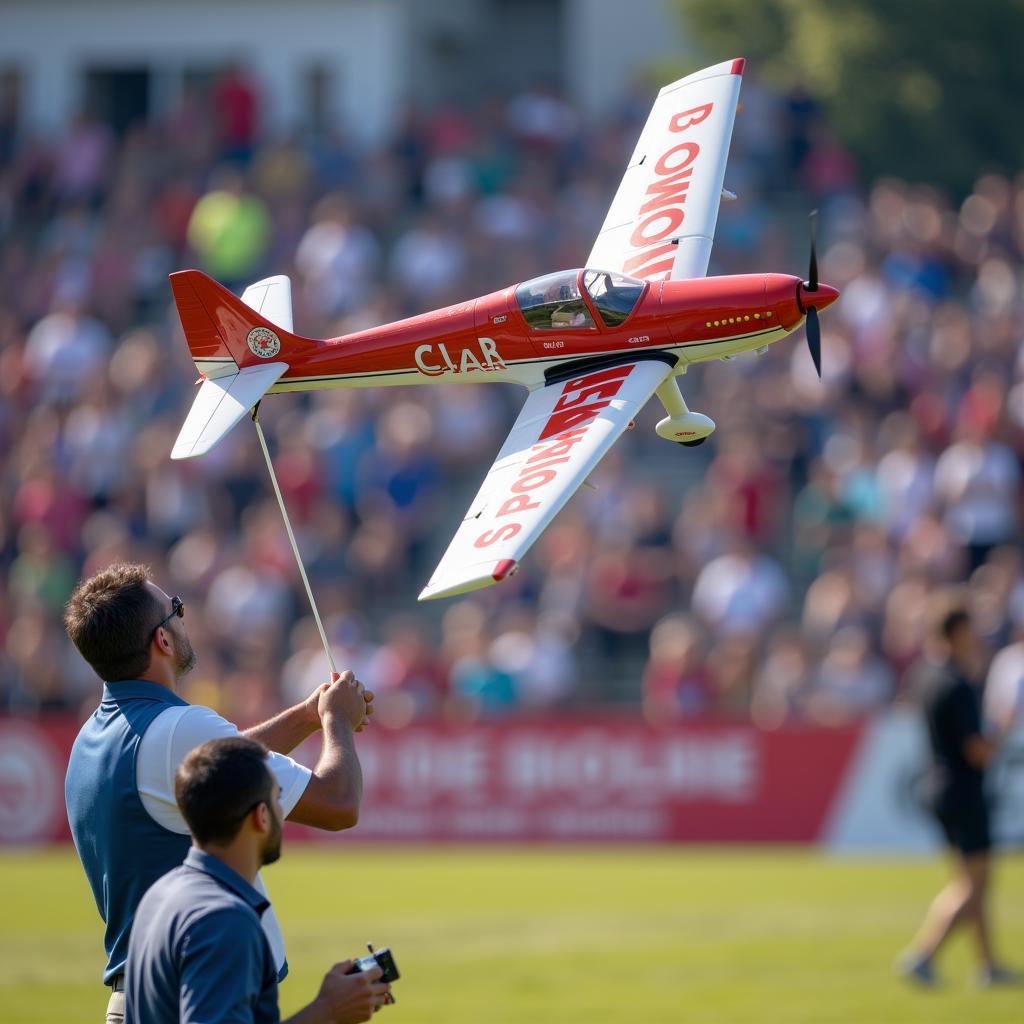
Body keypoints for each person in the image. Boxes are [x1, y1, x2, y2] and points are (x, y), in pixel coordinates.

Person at [63, 563, 373, 1023]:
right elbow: (337, 803)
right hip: (190, 988)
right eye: (176, 609)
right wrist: (337, 721)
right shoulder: (178, 729)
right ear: (162, 641)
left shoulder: (93, 735)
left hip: (146, 994)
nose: (184, 617)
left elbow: (223, 765)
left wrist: (308, 714)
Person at [126, 736, 390, 1023]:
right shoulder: (224, 920)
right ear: (261, 816)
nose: (283, 813)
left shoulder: (160, 893)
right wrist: (327, 1011)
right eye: (278, 797)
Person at [897, 592, 1017, 986]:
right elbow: (977, 751)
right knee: (973, 884)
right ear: (959, 632)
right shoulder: (957, 684)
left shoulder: (926, 675)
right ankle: (923, 954)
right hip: (964, 790)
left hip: (937, 786)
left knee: (970, 879)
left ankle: (988, 965)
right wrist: (1003, 728)